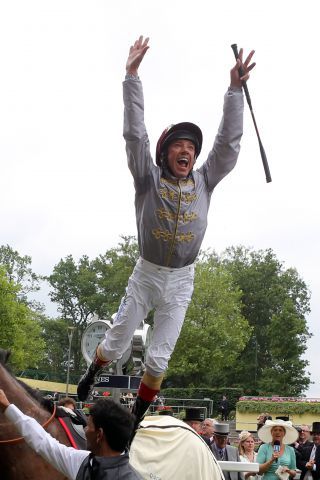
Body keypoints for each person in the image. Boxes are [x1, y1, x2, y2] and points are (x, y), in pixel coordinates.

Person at [77, 35, 256, 426]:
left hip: (182, 280)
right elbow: (135, 135)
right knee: (117, 340)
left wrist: (234, 91)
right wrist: (131, 77)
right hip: (146, 275)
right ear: (165, 153)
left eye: (192, 147)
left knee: (159, 358)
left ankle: (135, 422)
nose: (188, 151)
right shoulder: (148, 178)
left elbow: (228, 144)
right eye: (180, 146)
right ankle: (92, 371)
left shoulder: (205, 181)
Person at [0, 389, 142, 480]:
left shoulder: (84, 464)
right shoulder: (85, 462)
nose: (86, 431)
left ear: (99, 435)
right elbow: (43, 442)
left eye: (89, 426)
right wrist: (8, 407)